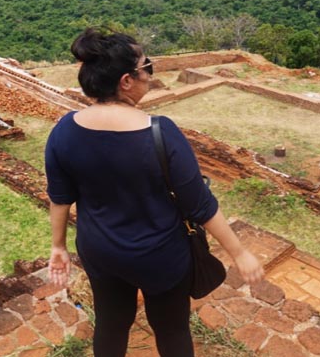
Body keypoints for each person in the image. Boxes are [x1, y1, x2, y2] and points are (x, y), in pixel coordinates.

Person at [46, 28, 264, 357]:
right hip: (160, 256)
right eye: (147, 67)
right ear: (126, 81)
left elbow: (61, 197)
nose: (150, 74)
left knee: (110, 323)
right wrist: (240, 253)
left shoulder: (64, 131)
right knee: (172, 330)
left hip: (101, 251)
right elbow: (199, 206)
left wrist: (58, 246)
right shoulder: (160, 134)